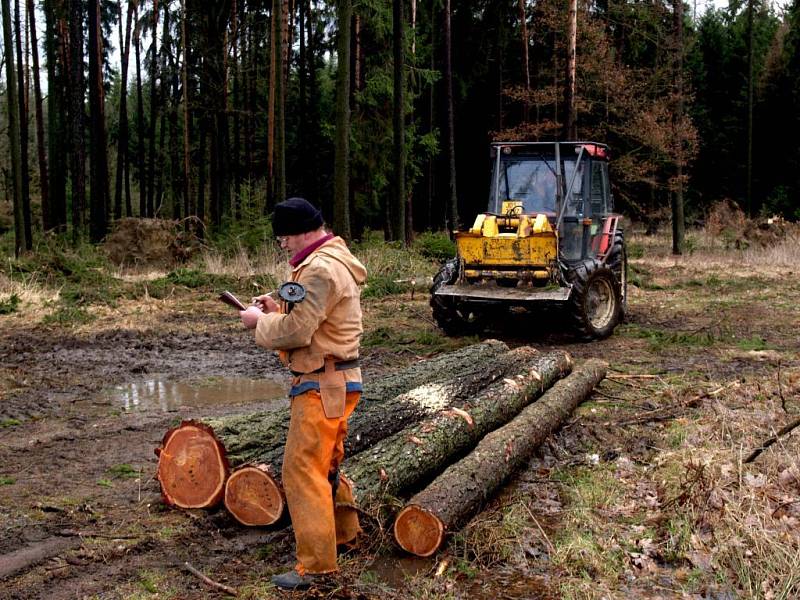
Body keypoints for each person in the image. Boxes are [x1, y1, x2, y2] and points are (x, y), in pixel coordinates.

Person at [240, 197, 367, 590]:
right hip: (338, 380)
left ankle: (316, 568)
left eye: (286, 237)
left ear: (307, 230)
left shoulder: (319, 270)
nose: (283, 245)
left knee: (302, 471)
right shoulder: (330, 260)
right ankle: (345, 538)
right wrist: (279, 307)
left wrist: (261, 322)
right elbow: (313, 318)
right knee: (325, 465)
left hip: (321, 383)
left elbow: (298, 332)